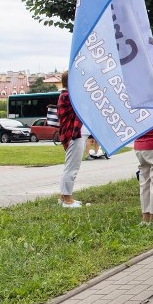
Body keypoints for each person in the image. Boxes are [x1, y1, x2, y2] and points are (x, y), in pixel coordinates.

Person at [57, 71, 85, 208]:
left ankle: (64, 196)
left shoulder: (66, 95)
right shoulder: (68, 96)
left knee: (70, 166)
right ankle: (67, 199)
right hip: (73, 135)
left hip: (71, 135)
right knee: (72, 168)